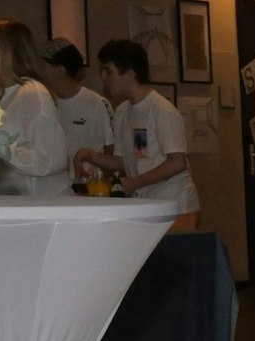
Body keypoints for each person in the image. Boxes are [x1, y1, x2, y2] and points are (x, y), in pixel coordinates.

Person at [73, 39, 199, 228]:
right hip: (146, 204)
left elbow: (177, 162)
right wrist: (91, 155)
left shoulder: (161, 109)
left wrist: (133, 182)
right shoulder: (123, 111)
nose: (104, 78)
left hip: (175, 205)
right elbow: (131, 160)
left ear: (129, 73)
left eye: (108, 71)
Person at [0, 19, 70, 197]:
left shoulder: (32, 94)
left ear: (7, 54)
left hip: (41, 206)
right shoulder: (4, 95)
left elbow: (50, 158)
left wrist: (1, 145)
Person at [38, 36, 113, 179]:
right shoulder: (44, 103)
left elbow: (111, 151)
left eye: (43, 67)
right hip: (53, 191)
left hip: (84, 192)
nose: (40, 72)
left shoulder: (97, 103)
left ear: (59, 69)